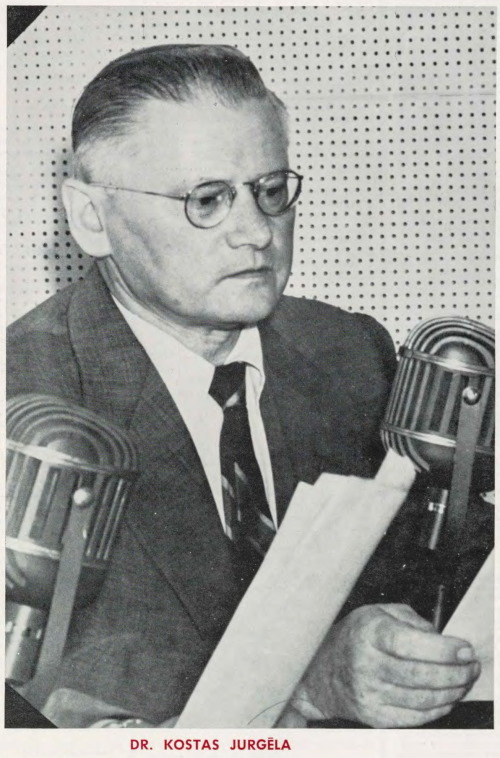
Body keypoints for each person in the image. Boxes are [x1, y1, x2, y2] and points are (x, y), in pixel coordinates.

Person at [7, 44, 491, 729]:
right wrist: (307, 688)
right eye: (207, 200)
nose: (256, 231)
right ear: (91, 218)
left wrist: (412, 659)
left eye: (270, 191)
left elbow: (442, 581)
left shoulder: (352, 354)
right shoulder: (25, 397)